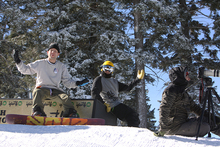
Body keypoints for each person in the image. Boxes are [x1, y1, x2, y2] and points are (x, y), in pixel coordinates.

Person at [13, 43, 89, 117]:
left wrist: (77, 83)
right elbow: (26, 70)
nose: (53, 52)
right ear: (47, 52)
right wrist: (18, 62)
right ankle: (38, 112)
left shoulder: (61, 66)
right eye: (51, 50)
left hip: (55, 90)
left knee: (65, 97)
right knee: (37, 92)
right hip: (42, 88)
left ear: (58, 54)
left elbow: (67, 82)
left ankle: (69, 113)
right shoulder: (40, 63)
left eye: (55, 51)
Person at [154, 66, 220, 137]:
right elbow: (164, 108)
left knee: (207, 120)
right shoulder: (171, 90)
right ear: (179, 77)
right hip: (174, 127)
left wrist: (215, 118)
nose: (188, 77)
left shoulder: (183, 92)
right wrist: (163, 129)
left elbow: (196, 108)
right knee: (205, 127)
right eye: (186, 74)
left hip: (183, 123)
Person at [91, 61, 144, 127]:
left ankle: (133, 131)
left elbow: (127, 88)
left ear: (112, 71)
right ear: (102, 69)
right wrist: (104, 104)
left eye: (109, 69)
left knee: (134, 116)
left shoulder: (114, 81)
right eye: (105, 68)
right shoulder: (99, 79)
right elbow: (94, 93)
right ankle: (133, 132)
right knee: (132, 115)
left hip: (116, 105)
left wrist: (137, 79)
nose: (107, 71)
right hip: (109, 106)